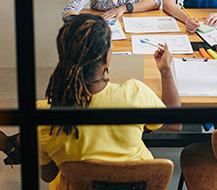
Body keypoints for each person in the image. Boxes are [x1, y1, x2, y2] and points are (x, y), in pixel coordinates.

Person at [0, 14, 181, 189]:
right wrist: (165, 70)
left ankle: (16, 145)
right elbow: (175, 124)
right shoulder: (134, 94)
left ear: (61, 57)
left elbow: (48, 174)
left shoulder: (45, 115)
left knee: (33, 141)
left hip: (76, 185)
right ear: (106, 58)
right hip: (137, 184)